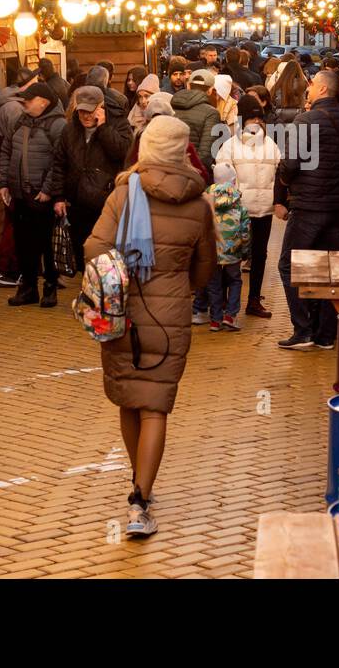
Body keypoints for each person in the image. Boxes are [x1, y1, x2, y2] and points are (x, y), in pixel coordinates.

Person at [84, 114, 216, 538]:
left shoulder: (124, 195)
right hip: (170, 316)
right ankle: (141, 498)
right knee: (155, 404)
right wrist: (180, 286)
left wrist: (116, 278)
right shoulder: (198, 204)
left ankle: (139, 485)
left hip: (122, 311)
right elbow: (205, 269)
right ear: (181, 150)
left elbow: (94, 247)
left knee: (128, 398)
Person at [275, 70, 339, 350]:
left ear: (323, 89)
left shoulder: (306, 120)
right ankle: (326, 334)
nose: (308, 89)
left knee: (288, 265)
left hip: (309, 207)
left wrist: (286, 183)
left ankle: (303, 330)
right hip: (338, 209)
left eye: (312, 85)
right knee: (329, 271)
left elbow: (290, 164)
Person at [0, 82, 66, 308]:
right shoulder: (21, 120)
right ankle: (27, 288)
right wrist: (4, 182)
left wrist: (48, 189)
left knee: (47, 245)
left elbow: (61, 161)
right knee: (23, 243)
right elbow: (6, 150)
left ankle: (50, 288)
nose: (24, 102)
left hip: (41, 196)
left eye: (29, 98)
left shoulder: (58, 125)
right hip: (20, 194)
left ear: (43, 102)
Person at [215, 93, 281, 318]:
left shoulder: (229, 146)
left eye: (258, 118)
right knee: (252, 255)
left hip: (243, 211)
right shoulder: (270, 145)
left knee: (237, 255)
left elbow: (222, 180)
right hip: (255, 210)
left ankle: (235, 302)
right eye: (253, 118)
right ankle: (248, 300)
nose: (256, 123)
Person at [56, 84, 133, 273]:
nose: (85, 116)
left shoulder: (119, 124)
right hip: (77, 203)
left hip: (106, 202)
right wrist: (58, 197)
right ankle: (87, 291)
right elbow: (59, 163)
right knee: (83, 254)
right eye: (81, 112)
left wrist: (103, 128)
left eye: (89, 112)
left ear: (101, 107)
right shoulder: (69, 130)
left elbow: (123, 153)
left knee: (105, 257)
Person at [0, 68, 37, 288]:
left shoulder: (6, 106)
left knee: (15, 222)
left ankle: (13, 268)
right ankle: (7, 268)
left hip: (12, 174)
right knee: (15, 223)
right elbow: (12, 147)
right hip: (17, 176)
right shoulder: (17, 110)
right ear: (25, 86)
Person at [204, 161, 250, 332]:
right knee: (235, 281)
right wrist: (245, 251)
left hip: (212, 252)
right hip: (233, 251)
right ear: (233, 181)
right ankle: (230, 315)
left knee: (213, 285)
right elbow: (245, 231)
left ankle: (215, 320)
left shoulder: (206, 202)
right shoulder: (240, 205)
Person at [172, 68, 220, 175]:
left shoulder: (171, 106)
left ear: (188, 86)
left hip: (171, 170)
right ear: (210, 90)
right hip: (195, 174)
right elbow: (206, 154)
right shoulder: (211, 113)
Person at [269, 59, 307, 125]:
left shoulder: (277, 85)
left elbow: (271, 103)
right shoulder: (303, 85)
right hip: (300, 119)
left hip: (279, 121)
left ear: (285, 71)